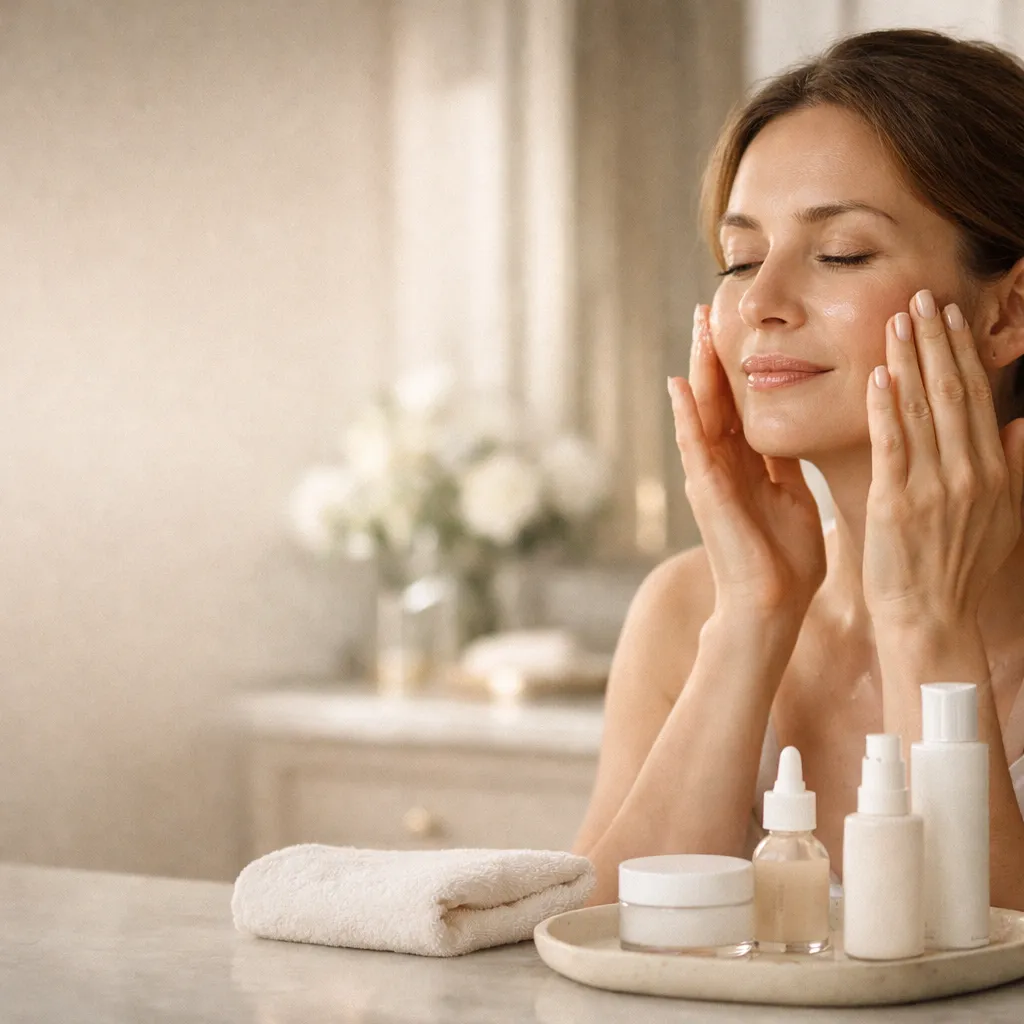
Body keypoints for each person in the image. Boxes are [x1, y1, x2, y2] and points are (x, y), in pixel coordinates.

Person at [572, 28, 1024, 909]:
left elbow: (988, 978)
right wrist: (752, 616)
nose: (761, 304)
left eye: (842, 252)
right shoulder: (686, 609)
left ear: (1007, 314)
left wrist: (927, 625)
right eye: (740, 260)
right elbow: (590, 947)